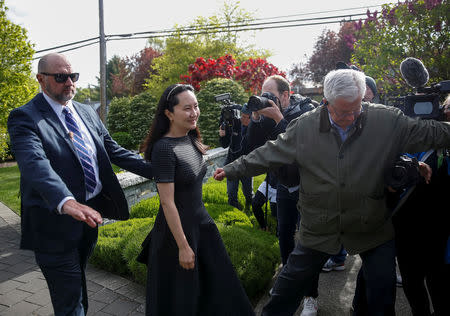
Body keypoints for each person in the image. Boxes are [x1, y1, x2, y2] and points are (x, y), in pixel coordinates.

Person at [214, 68, 450, 316]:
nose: (351, 117)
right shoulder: (304, 127)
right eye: (342, 111)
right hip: (319, 226)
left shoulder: (387, 120)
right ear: (326, 102)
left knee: (382, 294)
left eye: (356, 108)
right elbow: (268, 153)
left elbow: (431, 133)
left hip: (372, 225)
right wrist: (230, 169)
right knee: (286, 289)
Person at [7, 53, 153, 316]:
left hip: (89, 219)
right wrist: (66, 201)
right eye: (61, 77)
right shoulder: (24, 117)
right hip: (53, 225)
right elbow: (35, 164)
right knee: (69, 301)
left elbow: (113, 151)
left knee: (76, 284)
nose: (69, 83)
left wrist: (160, 171)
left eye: (72, 76)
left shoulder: (86, 111)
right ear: (41, 79)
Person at [139, 84, 254, 316]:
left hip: (202, 227)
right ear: (169, 113)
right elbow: (167, 202)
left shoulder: (190, 138)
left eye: (196, 106)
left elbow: (190, 178)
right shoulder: (163, 148)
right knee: (184, 301)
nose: (194, 113)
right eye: (187, 108)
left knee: (219, 294)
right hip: (178, 235)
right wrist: (183, 246)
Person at [390, 94, 450, 316]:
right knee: (411, 279)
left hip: (441, 228)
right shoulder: (408, 136)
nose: (446, 113)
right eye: (445, 108)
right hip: (406, 223)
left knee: (440, 280)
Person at [246, 75, 315, 265]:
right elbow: (252, 146)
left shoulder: (306, 111)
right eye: (262, 95)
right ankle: (286, 275)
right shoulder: (268, 114)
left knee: (307, 238)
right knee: (284, 233)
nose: (265, 98)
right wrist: (256, 118)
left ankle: (310, 291)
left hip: (307, 184)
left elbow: (296, 148)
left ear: (285, 95)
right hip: (283, 183)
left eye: (269, 94)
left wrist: (278, 117)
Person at [219, 103, 253, 210]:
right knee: (232, 194)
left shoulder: (255, 128)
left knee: (248, 193)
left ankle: (249, 208)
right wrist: (222, 135)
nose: (245, 120)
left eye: (248, 118)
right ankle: (234, 216)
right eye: (243, 116)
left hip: (246, 164)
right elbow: (225, 144)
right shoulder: (235, 123)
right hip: (232, 163)